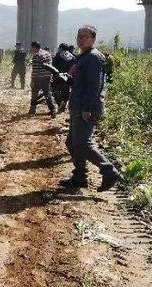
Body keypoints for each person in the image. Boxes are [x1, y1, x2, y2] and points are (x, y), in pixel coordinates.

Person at [61, 25, 120, 193]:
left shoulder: (94, 57)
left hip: (87, 107)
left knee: (81, 143)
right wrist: (68, 79)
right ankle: (79, 177)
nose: (80, 39)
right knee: (72, 142)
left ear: (93, 39)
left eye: (85, 36)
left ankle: (109, 171)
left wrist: (86, 108)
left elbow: (95, 86)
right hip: (78, 104)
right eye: (79, 36)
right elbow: (81, 83)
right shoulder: (83, 57)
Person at [28, 41, 56, 117]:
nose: (30, 49)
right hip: (47, 77)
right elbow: (50, 66)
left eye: (30, 47)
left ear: (34, 47)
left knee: (34, 93)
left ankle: (32, 111)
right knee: (47, 94)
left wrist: (32, 81)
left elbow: (35, 71)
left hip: (39, 78)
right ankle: (52, 110)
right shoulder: (47, 54)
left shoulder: (36, 56)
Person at [52, 43, 76, 112]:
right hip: (69, 77)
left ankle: (60, 103)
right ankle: (64, 106)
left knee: (54, 89)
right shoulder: (72, 56)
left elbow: (54, 66)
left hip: (59, 76)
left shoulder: (58, 55)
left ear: (61, 48)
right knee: (65, 91)